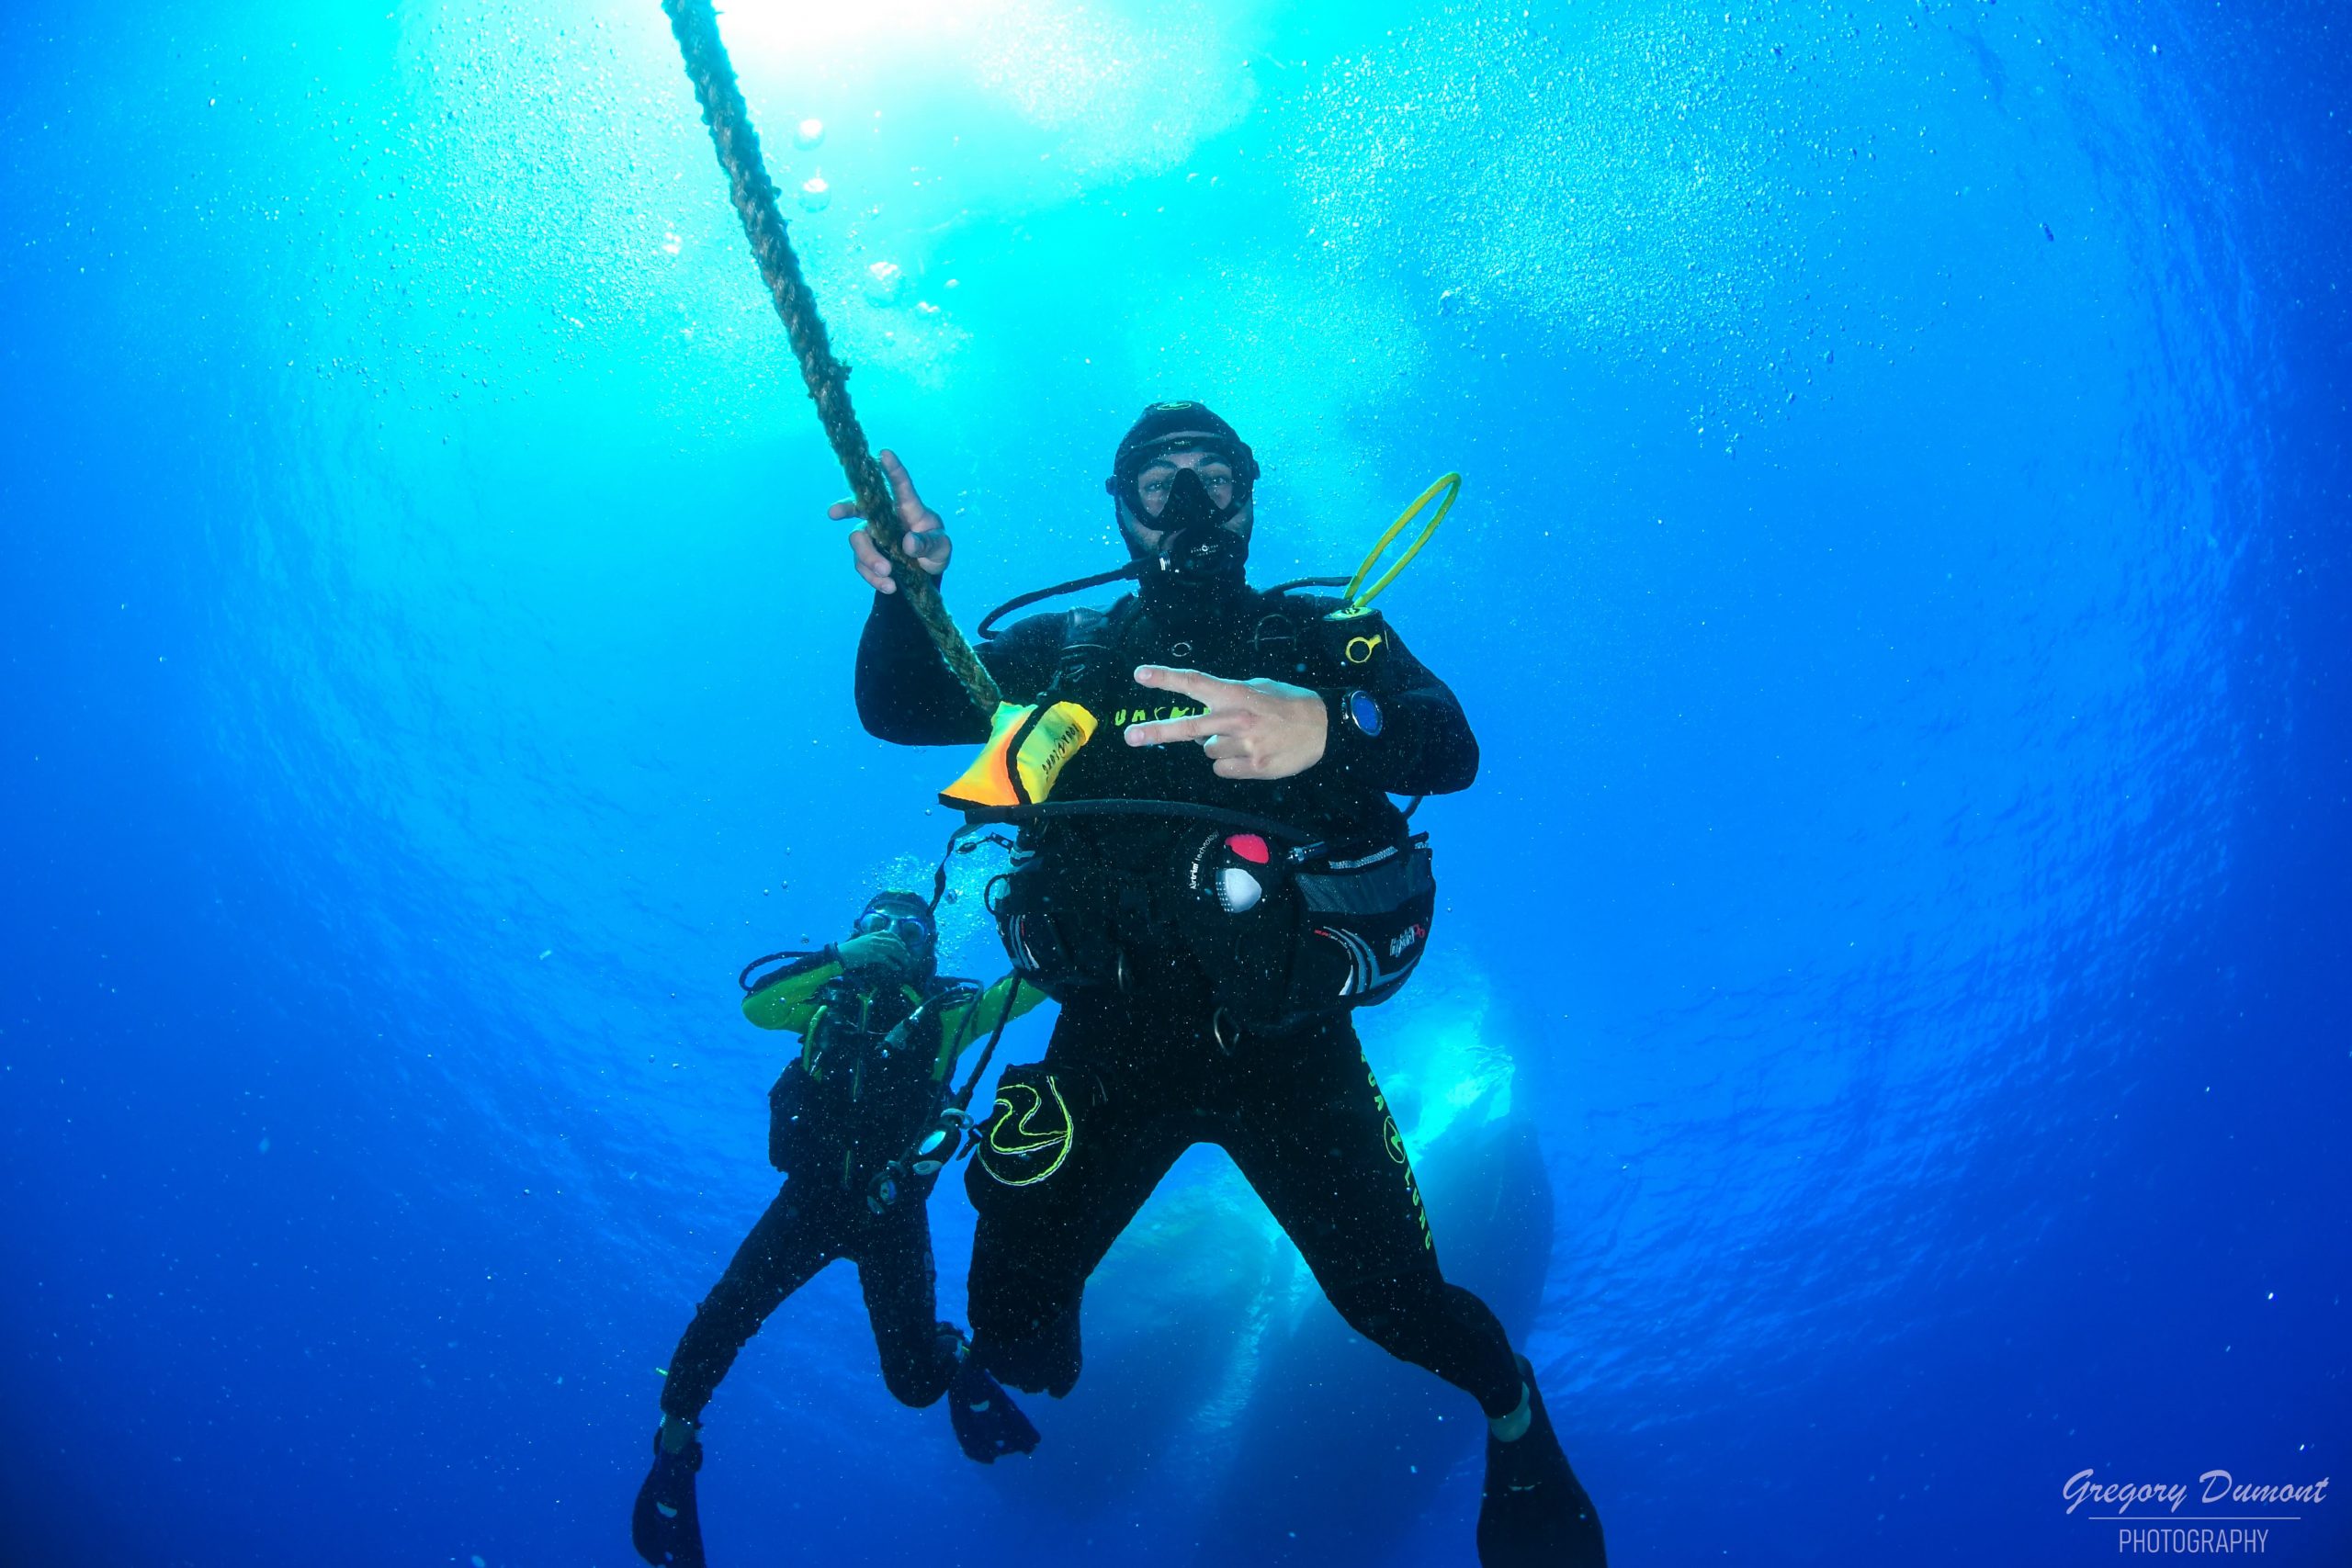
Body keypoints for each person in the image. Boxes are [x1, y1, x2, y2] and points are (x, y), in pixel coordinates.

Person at [836, 403, 1607, 1566]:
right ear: (1121, 506)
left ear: (1251, 497)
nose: (1189, 506)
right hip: (1109, 1039)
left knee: (1398, 1310)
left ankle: (1514, 1414)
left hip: (1288, 1036)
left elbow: (1449, 748)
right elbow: (902, 708)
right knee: (1017, 1334)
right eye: (1161, 484)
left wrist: (1329, 727)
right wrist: (904, 596)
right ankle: (1001, 1367)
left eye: (1214, 479)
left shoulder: (1327, 636)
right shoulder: (1069, 650)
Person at [632, 891, 1046, 1568]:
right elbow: (756, 1006)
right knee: (725, 1313)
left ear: (927, 948)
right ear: (854, 935)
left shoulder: (946, 1016)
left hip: (891, 1215)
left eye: (907, 930)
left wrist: (1059, 933)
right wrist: (834, 959)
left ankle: (954, 1354)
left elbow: (1017, 994)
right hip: (810, 1203)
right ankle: (674, 1453)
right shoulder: (820, 1001)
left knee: (914, 1383)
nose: (889, 937)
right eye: (875, 925)